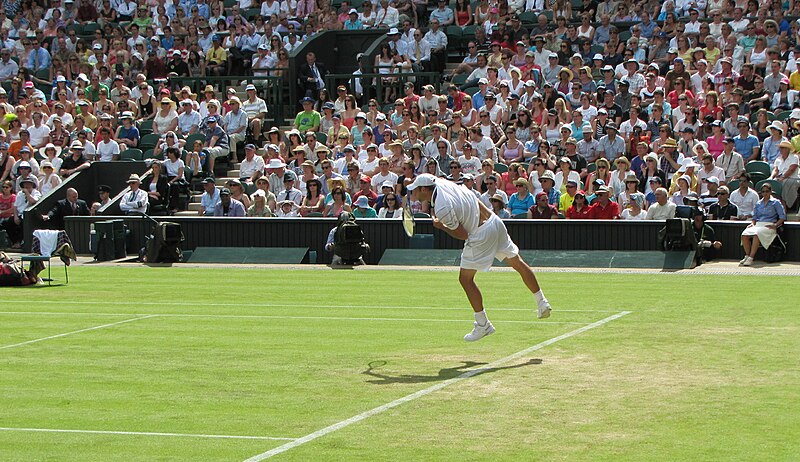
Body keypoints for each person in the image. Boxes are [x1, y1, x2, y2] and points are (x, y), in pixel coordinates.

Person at [406, 173, 551, 342]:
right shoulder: (442, 182)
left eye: (415, 189)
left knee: (465, 279)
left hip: (480, 234)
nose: (413, 192)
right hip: (495, 222)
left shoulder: (442, 207)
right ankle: (541, 302)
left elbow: (462, 234)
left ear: (424, 189)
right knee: (516, 262)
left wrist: (441, 226)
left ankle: (483, 324)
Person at [740, 183, 786, 266]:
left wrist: (775, 225)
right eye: (763, 191)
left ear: (770, 192)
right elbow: (755, 217)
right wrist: (752, 224)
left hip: (769, 225)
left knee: (757, 235)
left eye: (767, 191)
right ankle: (747, 255)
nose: (765, 193)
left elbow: (782, 217)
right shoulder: (758, 203)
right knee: (744, 234)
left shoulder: (776, 202)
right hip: (758, 225)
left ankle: (751, 257)